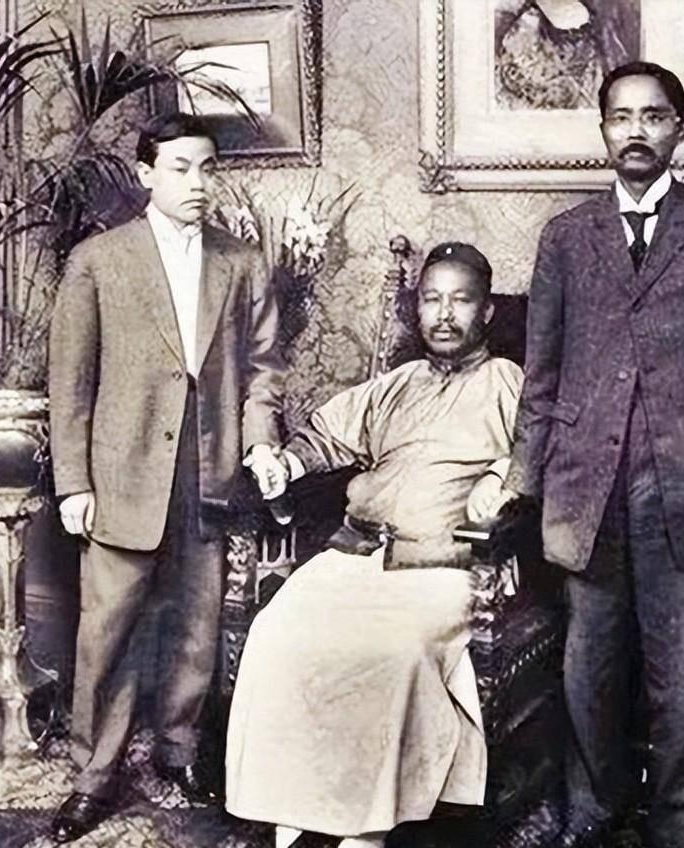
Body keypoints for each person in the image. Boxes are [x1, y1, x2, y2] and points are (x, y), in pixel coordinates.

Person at [503, 61, 684, 847]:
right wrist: (523, 482)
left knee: (678, 669)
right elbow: (542, 375)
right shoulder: (567, 237)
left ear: (678, 131)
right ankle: (591, 812)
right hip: (585, 485)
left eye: (654, 117)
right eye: (621, 117)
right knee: (586, 665)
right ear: (602, 130)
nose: (636, 131)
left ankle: (674, 821)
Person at [224, 242, 520, 848]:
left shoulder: (508, 383)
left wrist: (501, 477)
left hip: (442, 567)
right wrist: (287, 463)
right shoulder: (397, 383)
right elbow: (325, 437)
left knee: (392, 651)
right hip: (357, 556)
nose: (444, 314)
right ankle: (294, 819)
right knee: (277, 633)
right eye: (431, 300)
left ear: (486, 311)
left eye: (461, 301)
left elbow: (540, 453)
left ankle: (366, 831)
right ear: (417, 309)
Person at [47, 112, 288, 843]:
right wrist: (74, 483)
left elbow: (264, 370)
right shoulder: (97, 260)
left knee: (197, 622)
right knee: (108, 631)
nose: (197, 182)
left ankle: (180, 751)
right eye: (180, 168)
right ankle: (94, 774)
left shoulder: (241, 262)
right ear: (146, 173)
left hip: (208, 469)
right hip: (122, 472)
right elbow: (70, 381)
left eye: (207, 168)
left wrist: (261, 443)